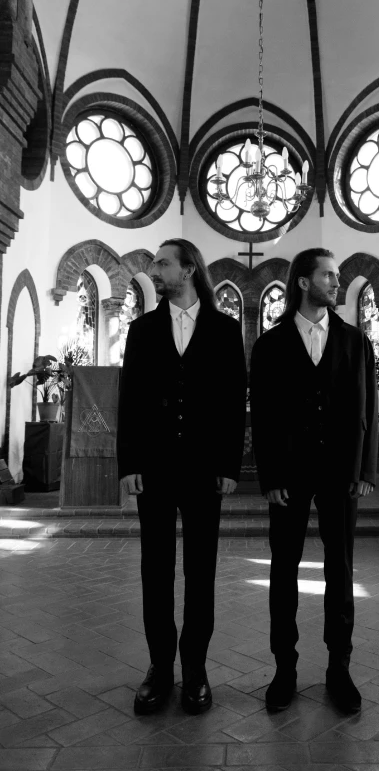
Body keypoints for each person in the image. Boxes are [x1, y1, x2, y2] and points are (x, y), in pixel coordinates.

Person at [118, 239, 247, 716]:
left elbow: (234, 403)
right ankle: (159, 668)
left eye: (163, 262)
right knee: (155, 571)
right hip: (152, 470)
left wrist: (229, 466)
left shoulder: (225, 330)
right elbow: (129, 401)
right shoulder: (141, 330)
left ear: (189, 269)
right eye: (155, 263)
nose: (155, 269)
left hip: (203, 472)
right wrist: (128, 465)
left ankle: (195, 669)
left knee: (201, 573)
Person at [250, 248, 378, 713]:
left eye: (338, 276)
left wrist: (365, 470)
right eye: (329, 275)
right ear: (303, 282)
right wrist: (269, 476)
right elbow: (261, 417)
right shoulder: (270, 344)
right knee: (283, 571)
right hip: (287, 475)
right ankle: (285, 668)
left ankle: (338, 669)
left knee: (340, 570)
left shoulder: (355, 341)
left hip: (341, 475)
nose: (336, 282)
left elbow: (368, 410)